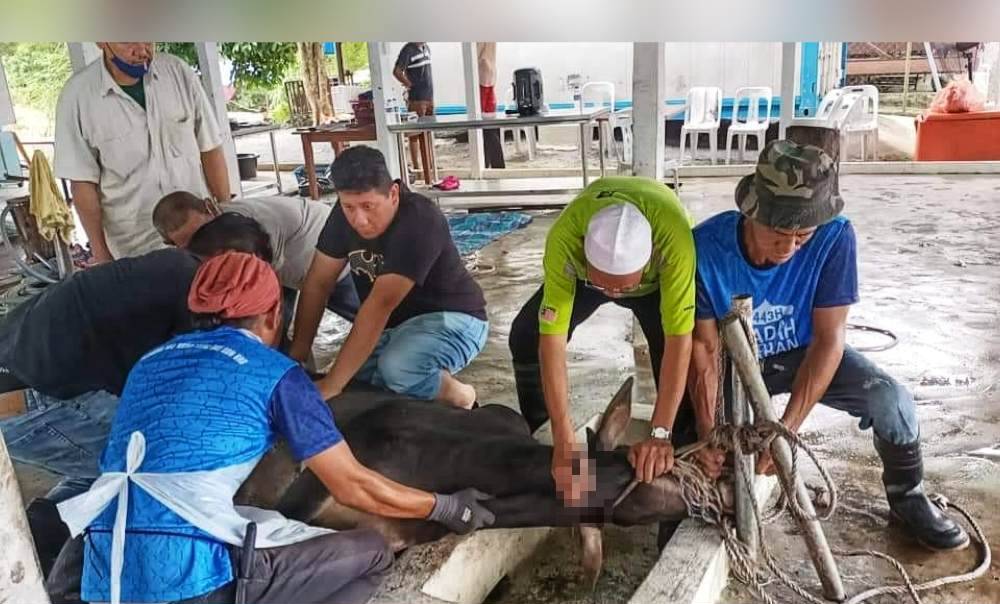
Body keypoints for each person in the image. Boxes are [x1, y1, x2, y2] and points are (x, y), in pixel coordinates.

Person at [50, 252, 495, 604]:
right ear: (272, 316)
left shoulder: (149, 364)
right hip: (188, 584)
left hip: (102, 569)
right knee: (372, 552)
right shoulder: (276, 375)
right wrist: (444, 508)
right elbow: (354, 487)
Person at [686, 138, 968, 551]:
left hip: (801, 352)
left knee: (893, 402)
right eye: (779, 233)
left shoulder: (835, 237)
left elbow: (829, 340)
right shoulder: (706, 249)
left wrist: (787, 429)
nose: (789, 248)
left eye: (802, 235)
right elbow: (705, 352)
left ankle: (909, 498)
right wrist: (709, 431)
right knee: (694, 447)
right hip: (733, 364)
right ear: (751, 211)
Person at [0, 215, 274, 501]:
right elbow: (209, 383)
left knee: (108, 470)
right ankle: (71, 533)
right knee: (153, 472)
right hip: (33, 398)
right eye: (252, 274)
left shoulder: (166, 266)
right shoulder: (193, 286)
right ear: (228, 258)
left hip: (27, 377)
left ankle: (61, 524)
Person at [508, 176, 697, 506]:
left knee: (674, 358)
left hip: (654, 286)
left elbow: (681, 340)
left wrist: (659, 432)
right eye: (606, 286)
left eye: (622, 287)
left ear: (650, 256)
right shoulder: (565, 240)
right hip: (586, 278)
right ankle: (540, 433)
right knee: (526, 335)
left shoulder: (675, 244)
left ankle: (675, 451)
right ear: (584, 252)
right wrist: (563, 434)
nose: (614, 295)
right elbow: (550, 339)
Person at [289, 147, 488, 409]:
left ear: (393, 194)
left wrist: (332, 384)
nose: (359, 219)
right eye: (349, 206)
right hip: (397, 328)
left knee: (397, 369)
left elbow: (380, 306)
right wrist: (297, 356)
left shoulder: (419, 218)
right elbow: (317, 283)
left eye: (368, 206)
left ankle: (462, 396)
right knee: (360, 382)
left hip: (457, 318)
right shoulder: (342, 216)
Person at [54, 42, 230, 263]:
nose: (141, 49)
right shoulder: (77, 97)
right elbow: (83, 185)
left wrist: (228, 215)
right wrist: (102, 255)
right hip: (135, 247)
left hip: (200, 235)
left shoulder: (178, 73)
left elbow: (210, 148)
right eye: (127, 40)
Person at [152, 191, 360, 324]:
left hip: (333, 255)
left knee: (370, 322)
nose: (201, 243)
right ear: (172, 244)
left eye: (202, 232)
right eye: (190, 244)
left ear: (210, 208)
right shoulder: (196, 247)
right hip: (289, 267)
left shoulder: (256, 226)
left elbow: (264, 289)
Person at [393, 42, 435, 177]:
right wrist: (409, 84)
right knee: (415, 134)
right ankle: (417, 167)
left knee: (427, 132)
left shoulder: (426, 47)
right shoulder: (408, 49)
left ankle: (429, 164)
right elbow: (397, 71)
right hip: (417, 98)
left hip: (429, 96)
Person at [477, 42, 505, 169]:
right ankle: (491, 166)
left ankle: (494, 166)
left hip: (482, 79)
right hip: (490, 78)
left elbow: (482, 59)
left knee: (486, 129)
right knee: (490, 128)